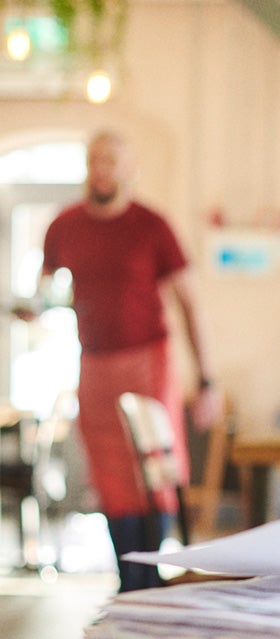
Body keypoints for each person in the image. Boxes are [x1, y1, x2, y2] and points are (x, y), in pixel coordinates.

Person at [33, 130, 219, 592]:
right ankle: (129, 581)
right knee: (111, 476)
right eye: (95, 160)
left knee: (153, 469)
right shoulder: (64, 226)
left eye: (112, 161)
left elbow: (190, 304)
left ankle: (155, 576)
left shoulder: (153, 226)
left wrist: (207, 379)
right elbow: (45, 293)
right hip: (94, 363)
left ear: (128, 169)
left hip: (148, 361)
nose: (102, 169)